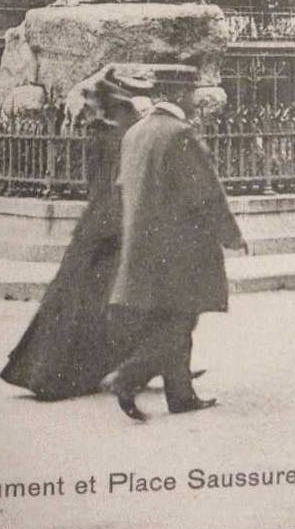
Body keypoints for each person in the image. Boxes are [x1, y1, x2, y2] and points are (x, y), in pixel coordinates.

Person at [105, 65, 246, 422]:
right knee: (180, 322)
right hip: (180, 250)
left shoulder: (135, 133)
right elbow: (206, 194)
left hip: (143, 246)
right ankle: (128, 377)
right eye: (193, 92)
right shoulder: (179, 134)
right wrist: (232, 235)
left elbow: (121, 188)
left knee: (172, 320)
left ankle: (181, 395)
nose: (196, 99)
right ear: (181, 95)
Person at [0, 67, 147, 400]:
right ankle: (66, 372)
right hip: (111, 225)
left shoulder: (103, 134)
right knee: (98, 300)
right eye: (129, 105)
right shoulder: (118, 137)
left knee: (80, 297)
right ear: (120, 106)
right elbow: (115, 187)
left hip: (97, 224)